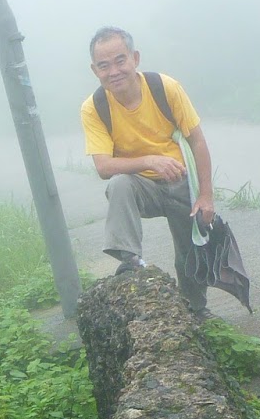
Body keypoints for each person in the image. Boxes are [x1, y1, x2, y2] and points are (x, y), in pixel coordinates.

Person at [80, 26, 215, 313]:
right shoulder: (94, 108)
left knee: (190, 252)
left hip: (180, 180)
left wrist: (206, 196)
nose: (114, 71)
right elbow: (103, 167)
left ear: (135, 58)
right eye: (104, 65)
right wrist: (149, 161)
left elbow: (197, 141)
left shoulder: (165, 88)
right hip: (142, 186)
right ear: (95, 70)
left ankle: (196, 309)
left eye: (120, 60)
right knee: (119, 185)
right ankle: (130, 260)